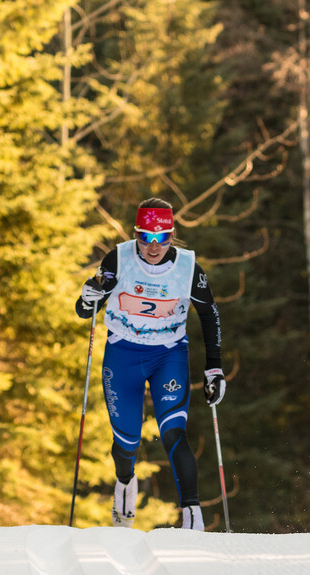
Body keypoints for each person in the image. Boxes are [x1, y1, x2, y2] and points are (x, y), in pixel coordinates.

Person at [76, 198, 225, 531]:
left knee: (173, 430)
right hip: (123, 355)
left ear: (172, 236)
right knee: (126, 443)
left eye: (162, 238)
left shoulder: (188, 269)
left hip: (168, 354)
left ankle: (191, 515)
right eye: (145, 237)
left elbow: (208, 314)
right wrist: (86, 300)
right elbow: (87, 308)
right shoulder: (119, 258)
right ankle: (125, 483)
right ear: (136, 235)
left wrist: (214, 367)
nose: (153, 246)